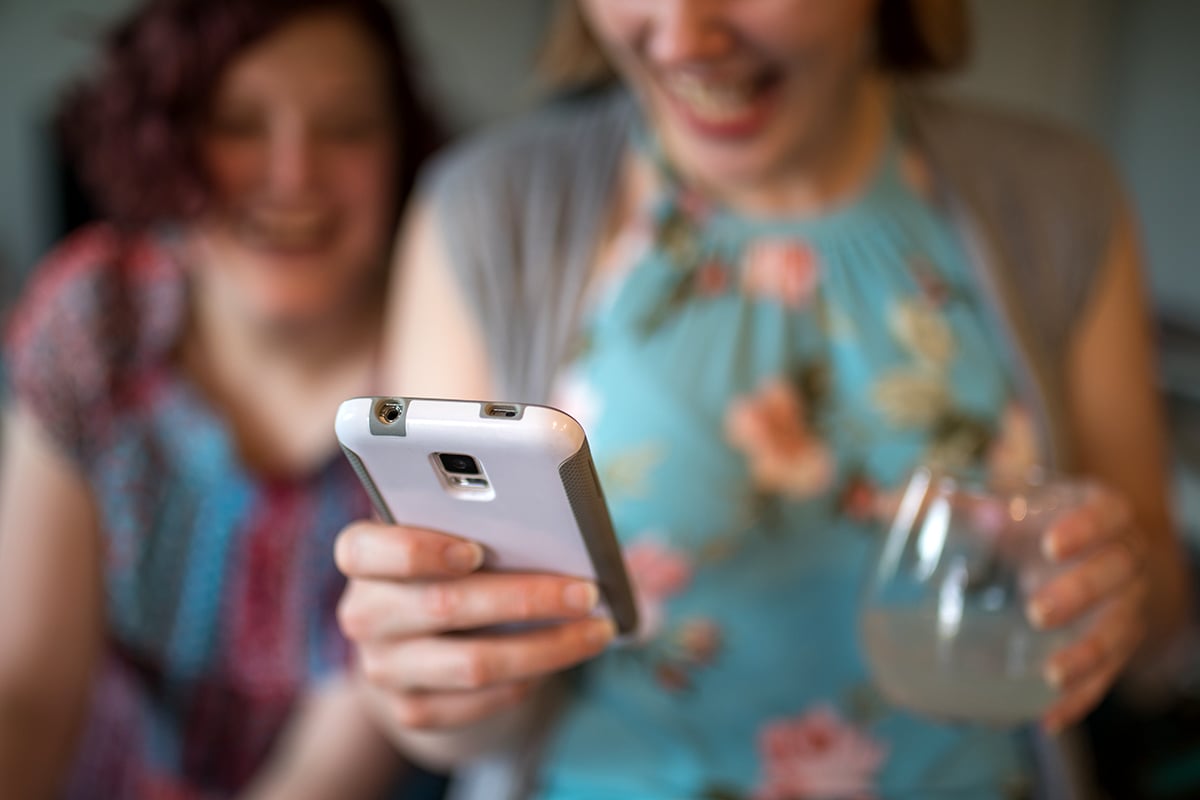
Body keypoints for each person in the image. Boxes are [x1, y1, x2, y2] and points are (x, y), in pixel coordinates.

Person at [334, 0, 1192, 797]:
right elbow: (465, 729)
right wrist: (438, 681)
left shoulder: (1058, 199)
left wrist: (1115, 592)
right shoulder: (486, 213)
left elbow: (1157, 617)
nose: (683, 37)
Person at [0, 0, 444, 797]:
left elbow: (329, 768)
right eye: (238, 124)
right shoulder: (96, 318)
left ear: (400, 149)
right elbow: (28, 692)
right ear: (163, 144)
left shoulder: (441, 367)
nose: (294, 174)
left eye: (346, 127)